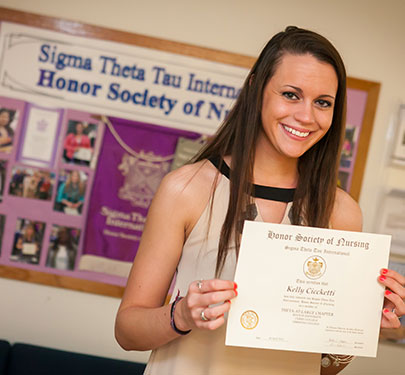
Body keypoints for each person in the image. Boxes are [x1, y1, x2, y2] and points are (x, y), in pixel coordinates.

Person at [115, 26, 405, 375]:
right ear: (256, 88)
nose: (306, 116)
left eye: (323, 103)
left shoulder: (341, 213)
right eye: (291, 94)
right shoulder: (186, 189)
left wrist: (362, 328)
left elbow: (321, 367)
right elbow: (127, 332)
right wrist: (181, 315)